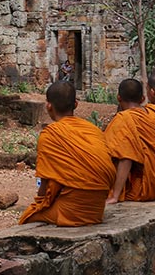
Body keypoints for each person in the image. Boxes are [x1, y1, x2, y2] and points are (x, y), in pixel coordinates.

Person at [19, 80, 116, 226]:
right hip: (97, 208)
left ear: (48, 106)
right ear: (76, 104)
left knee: (27, 218)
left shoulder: (50, 135)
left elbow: (45, 182)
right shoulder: (92, 130)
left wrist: (39, 204)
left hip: (73, 210)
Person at [104, 78, 155, 204]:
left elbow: (126, 157)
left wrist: (115, 195)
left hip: (146, 187)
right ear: (143, 99)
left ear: (118, 98)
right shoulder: (154, 113)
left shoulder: (124, 119)